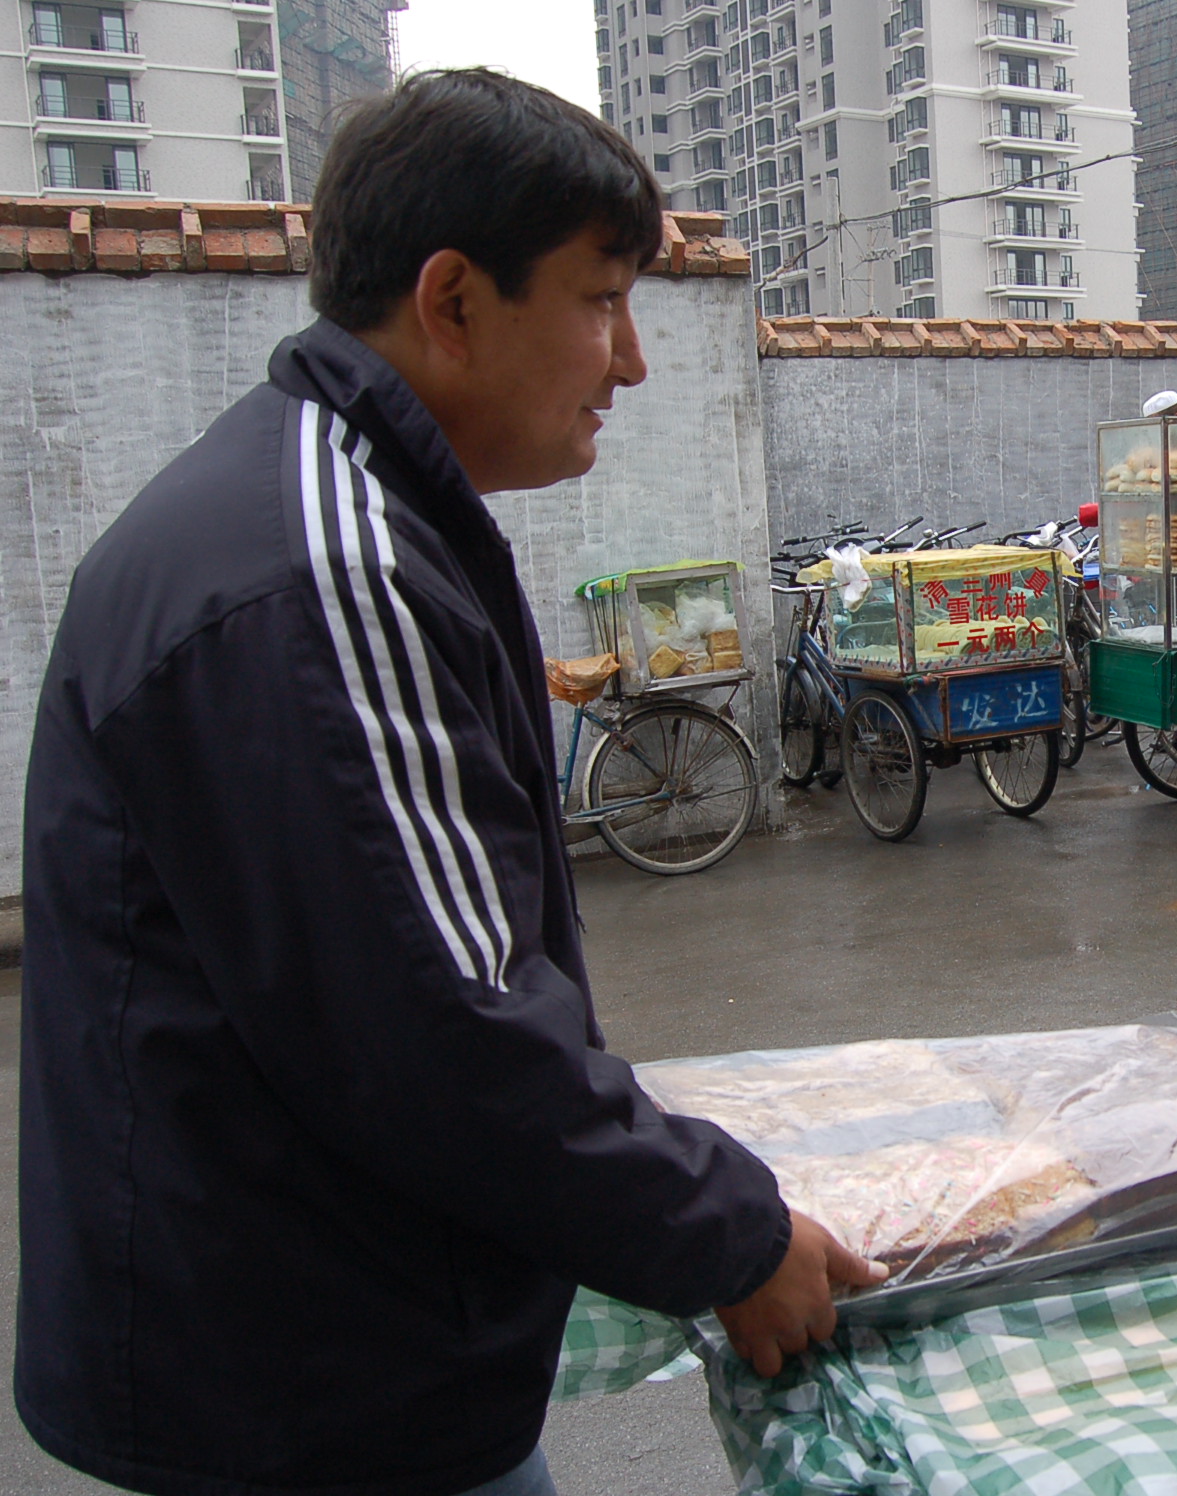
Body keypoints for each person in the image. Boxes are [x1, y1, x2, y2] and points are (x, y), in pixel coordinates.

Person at [17, 71, 883, 1496]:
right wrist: (732, 1232)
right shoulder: (325, 568)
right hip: (304, 1393)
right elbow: (444, 1029)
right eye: (602, 300)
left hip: (317, 1341)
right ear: (454, 301)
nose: (632, 361)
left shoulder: (336, 504)